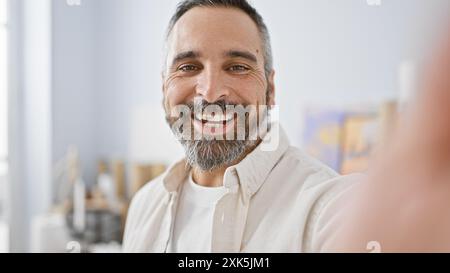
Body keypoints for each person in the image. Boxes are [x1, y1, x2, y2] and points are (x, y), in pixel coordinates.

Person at [123, 0, 359, 253]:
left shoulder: (336, 211)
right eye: (188, 67)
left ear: (271, 90)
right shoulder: (144, 205)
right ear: (163, 88)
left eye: (237, 67)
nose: (211, 93)